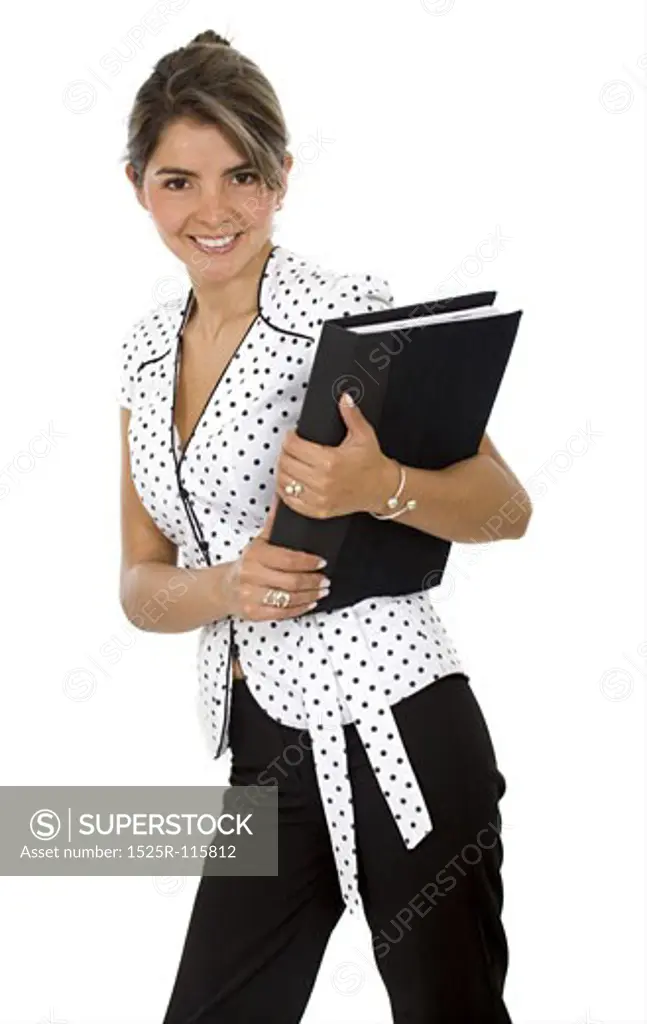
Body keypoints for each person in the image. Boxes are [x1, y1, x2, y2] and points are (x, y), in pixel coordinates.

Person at [118, 28, 531, 1024]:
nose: (211, 211)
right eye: (178, 180)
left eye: (241, 176)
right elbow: (139, 582)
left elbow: (506, 505)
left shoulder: (345, 315)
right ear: (137, 184)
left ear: (282, 178)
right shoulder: (139, 356)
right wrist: (221, 587)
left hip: (402, 729)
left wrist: (376, 481)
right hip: (265, 751)